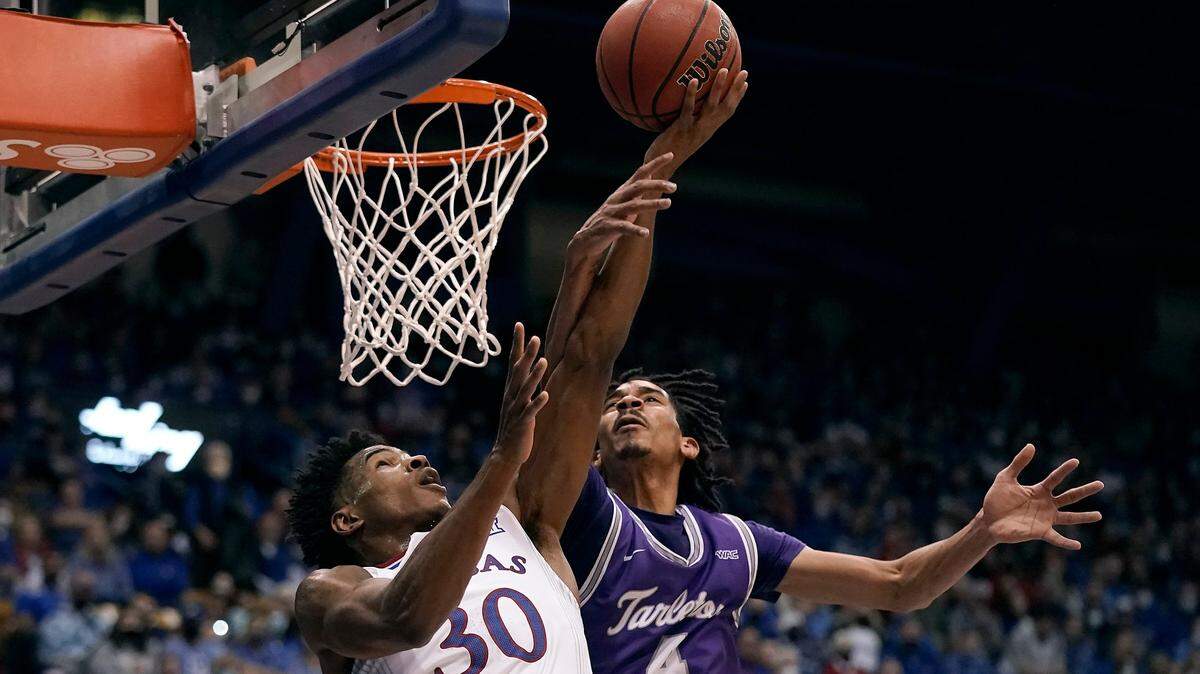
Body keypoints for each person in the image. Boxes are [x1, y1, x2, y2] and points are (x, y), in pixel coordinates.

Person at [522, 66, 1107, 672]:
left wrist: (982, 530)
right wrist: (660, 161)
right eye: (616, 402)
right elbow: (583, 364)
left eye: (648, 398)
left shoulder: (738, 546)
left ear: (689, 443)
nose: (626, 404)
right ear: (588, 450)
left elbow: (898, 584)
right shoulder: (581, 513)